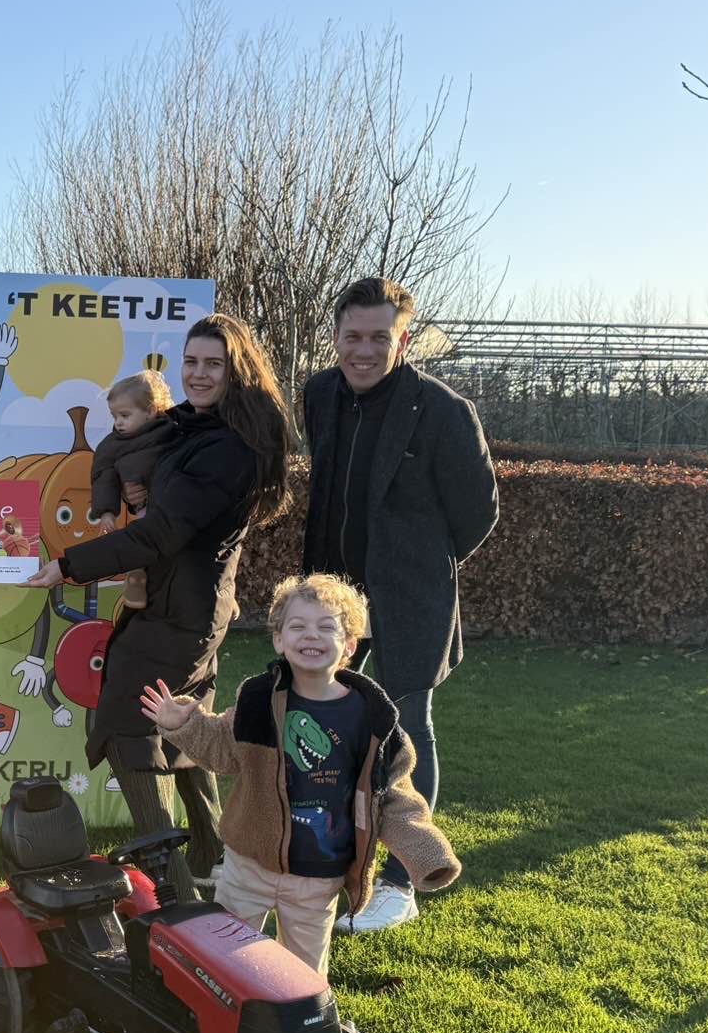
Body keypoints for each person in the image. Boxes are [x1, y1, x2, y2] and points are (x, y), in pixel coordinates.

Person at [25, 313, 291, 893]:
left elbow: (159, 535)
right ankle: (216, 862)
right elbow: (123, 445)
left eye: (213, 364)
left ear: (236, 372)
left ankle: (172, 883)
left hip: (182, 614)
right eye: (190, 362)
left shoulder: (227, 449)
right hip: (179, 608)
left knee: (130, 725)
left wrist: (68, 566)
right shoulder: (188, 427)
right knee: (185, 729)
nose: (198, 374)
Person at [302, 276, 498, 934]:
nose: (363, 350)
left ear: (404, 339)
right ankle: (339, 859)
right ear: (334, 337)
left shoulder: (444, 412)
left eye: (378, 337)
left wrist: (419, 569)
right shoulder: (319, 394)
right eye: (352, 336)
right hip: (333, 597)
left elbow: (477, 514)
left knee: (405, 725)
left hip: (412, 594)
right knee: (331, 725)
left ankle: (400, 881)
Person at [138, 573, 459, 972]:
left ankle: (296, 1031)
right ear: (278, 639)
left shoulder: (372, 720)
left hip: (317, 876)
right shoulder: (258, 701)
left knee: (304, 974)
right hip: (247, 866)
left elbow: (393, 796)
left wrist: (426, 854)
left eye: (327, 627)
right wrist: (182, 724)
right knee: (226, 963)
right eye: (298, 626)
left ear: (349, 645)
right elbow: (222, 750)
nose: (312, 635)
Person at [87, 369, 179, 610]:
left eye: (125, 415)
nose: (118, 422)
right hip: (147, 508)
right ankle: (136, 575)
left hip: (178, 501)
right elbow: (104, 476)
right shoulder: (113, 445)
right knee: (143, 536)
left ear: (150, 411)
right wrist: (107, 512)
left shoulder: (174, 430)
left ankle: (213, 589)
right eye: (114, 416)